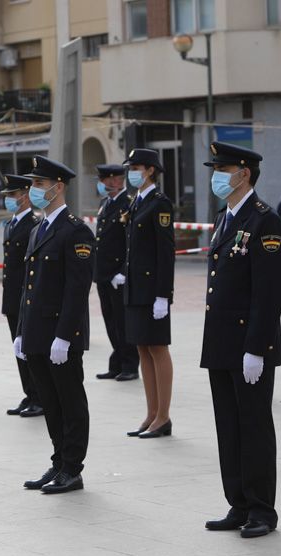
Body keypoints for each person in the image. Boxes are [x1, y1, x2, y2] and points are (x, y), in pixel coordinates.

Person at [201, 142, 281, 539]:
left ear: (244, 174)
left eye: (223, 169)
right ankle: (238, 502)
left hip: (249, 345)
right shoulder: (226, 217)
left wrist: (256, 348)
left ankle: (262, 510)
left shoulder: (264, 222)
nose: (217, 175)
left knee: (253, 426)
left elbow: (267, 295)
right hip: (220, 341)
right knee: (228, 426)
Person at [13, 155, 94, 494]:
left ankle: (72, 468)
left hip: (60, 336)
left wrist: (65, 336)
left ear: (58, 187)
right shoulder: (38, 228)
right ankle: (58, 460)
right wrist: (20, 330)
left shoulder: (75, 231)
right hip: (36, 333)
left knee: (70, 401)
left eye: (39, 185)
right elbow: (28, 287)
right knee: (50, 400)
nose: (33, 190)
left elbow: (77, 290)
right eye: (33, 184)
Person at [121, 149, 175, 438]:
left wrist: (163, 295)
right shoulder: (137, 202)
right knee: (142, 349)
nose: (132, 172)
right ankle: (151, 413)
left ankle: (163, 416)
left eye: (137, 167)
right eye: (130, 167)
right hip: (136, 290)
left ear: (151, 170)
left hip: (152, 291)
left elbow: (165, 254)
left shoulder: (159, 204)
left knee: (157, 349)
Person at [0, 174, 43, 418]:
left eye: (12, 195)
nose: (8, 200)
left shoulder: (33, 225)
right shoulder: (12, 224)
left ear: (24, 197)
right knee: (19, 351)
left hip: (26, 298)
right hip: (12, 298)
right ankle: (29, 393)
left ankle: (40, 397)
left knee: (30, 349)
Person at [93, 163, 139, 382]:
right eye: (104, 180)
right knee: (110, 321)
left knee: (122, 322)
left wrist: (122, 272)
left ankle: (130, 364)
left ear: (121, 180)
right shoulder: (105, 204)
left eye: (112, 179)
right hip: (103, 275)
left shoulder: (128, 205)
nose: (107, 184)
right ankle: (117, 362)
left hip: (118, 276)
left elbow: (132, 243)